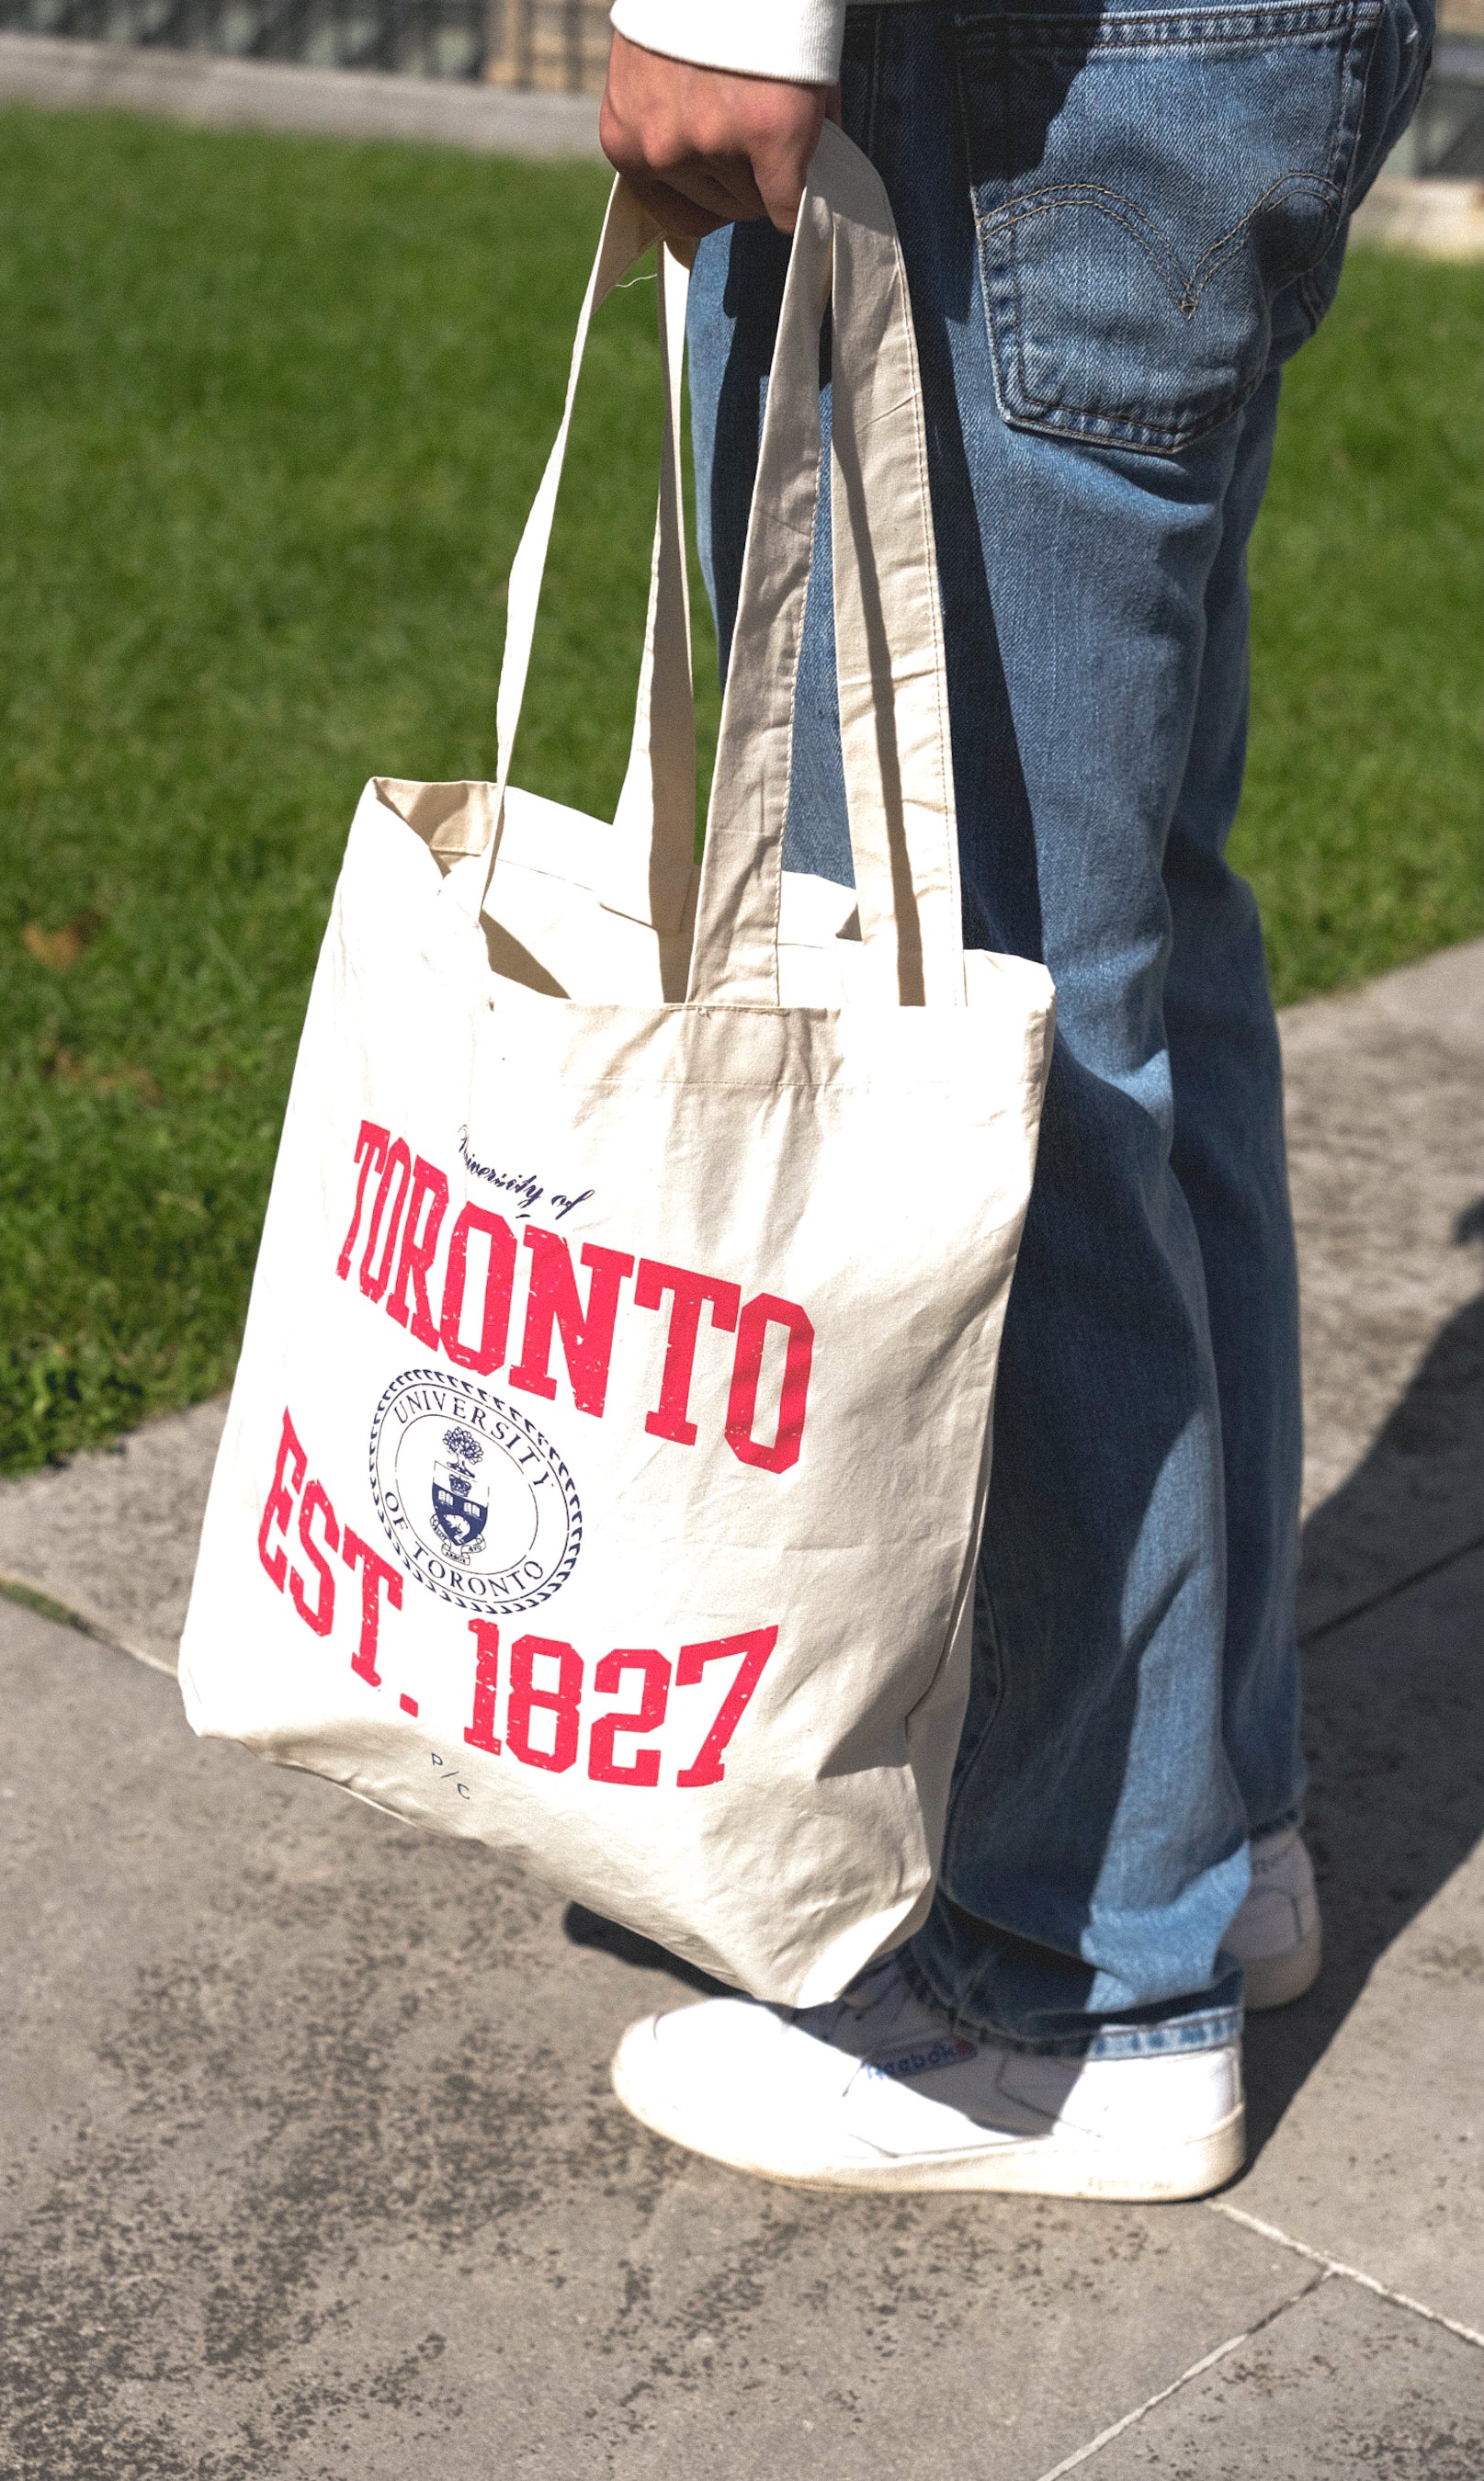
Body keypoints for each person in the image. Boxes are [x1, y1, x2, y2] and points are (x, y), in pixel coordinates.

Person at [594, 0, 1433, 2196]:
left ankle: (1060, 1987)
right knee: (1124, 950)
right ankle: (1197, 1827)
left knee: (977, 1004)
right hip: (1237, 48)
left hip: (1011, 75)